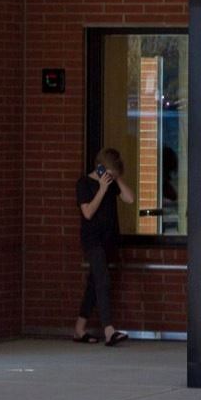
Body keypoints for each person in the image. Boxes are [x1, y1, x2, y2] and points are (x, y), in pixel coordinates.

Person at [73, 148, 136, 347]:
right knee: (103, 281)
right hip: (93, 241)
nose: (111, 177)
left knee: (94, 283)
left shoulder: (112, 184)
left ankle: (79, 329)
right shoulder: (84, 184)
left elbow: (130, 198)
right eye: (109, 173)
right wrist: (101, 188)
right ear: (100, 169)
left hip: (108, 240)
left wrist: (116, 180)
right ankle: (109, 330)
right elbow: (88, 213)